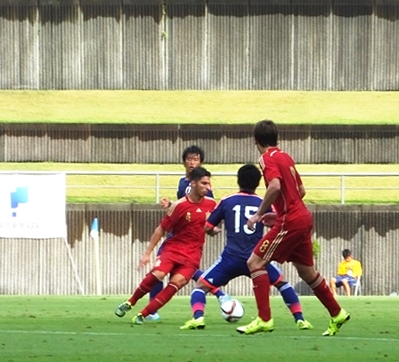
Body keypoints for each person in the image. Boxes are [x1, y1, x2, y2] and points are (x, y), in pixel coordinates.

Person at [239, 119, 350, 335]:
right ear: (276, 138)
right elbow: (301, 190)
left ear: (255, 140)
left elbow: (275, 185)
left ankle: (264, 319)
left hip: (291, 220)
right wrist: (277, 212)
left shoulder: (266, 158)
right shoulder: (285, 157)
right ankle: (337, 313)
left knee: (254, 262)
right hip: (303, 218)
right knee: (308, 273)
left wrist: (260, 213)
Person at [180, 164, 313, 331]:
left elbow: (207, 227)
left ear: (238, 181)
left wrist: (214, 231)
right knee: (283, 284)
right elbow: (277, 223)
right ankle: (300, 319)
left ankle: (198, 318)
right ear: (258, 183)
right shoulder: (264, 203)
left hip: (230, 259)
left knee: (201, 286)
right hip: (257, 259)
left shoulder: (227, 201)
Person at [115, 166, 216, 325]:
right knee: (159, 275)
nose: (207, 187)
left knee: (176, 283)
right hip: (173, 249)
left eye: (209, 184)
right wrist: (147, 253)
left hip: (193, 255)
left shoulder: (211, 204)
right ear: (194, 183)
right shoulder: (179, 206)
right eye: (204, 183)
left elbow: (210, 227)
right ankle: (130, 302)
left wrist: (213, 230)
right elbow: (162, 229)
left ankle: (143, 314)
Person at [147, 145, 228, 321]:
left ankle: (152, 309)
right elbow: (184, 206)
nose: (192, 162)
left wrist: (211, 227)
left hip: (188, 237)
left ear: (201, 162)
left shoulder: (203, 185)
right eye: (189, 159)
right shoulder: (183, 182)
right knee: (177, 270)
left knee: (163, 269)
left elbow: (209, 207)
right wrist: (171, 205)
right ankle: (221, 295)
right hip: (178, 233)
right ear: (184, 161)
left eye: (196, 159)